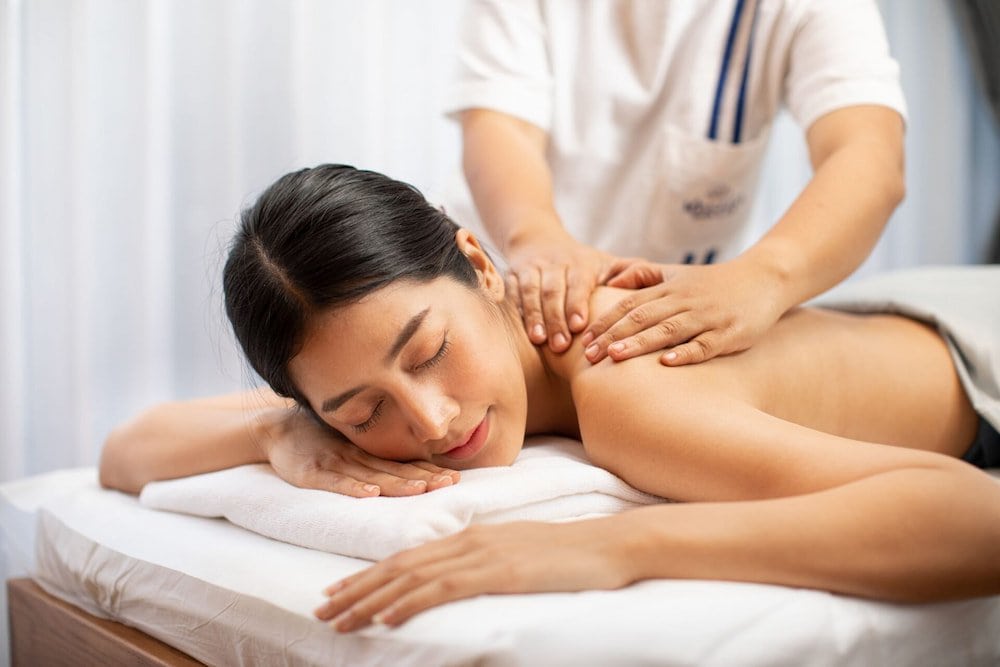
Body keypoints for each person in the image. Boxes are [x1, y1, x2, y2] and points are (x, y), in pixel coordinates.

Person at [99, 164, 1000, 633]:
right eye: (361, 412)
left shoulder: (620, 381)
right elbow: (127, 450)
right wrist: (271, 434)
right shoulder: (368, 360)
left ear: (482, 264)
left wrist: (613, 547)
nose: (433, 420)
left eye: (432, 353)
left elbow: (975, 518)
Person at [444, 0, 907, 368]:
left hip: (672, 326)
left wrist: (764, 277)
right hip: (512, 295)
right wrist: (537, 237)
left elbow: (868, 156)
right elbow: (501, 128)